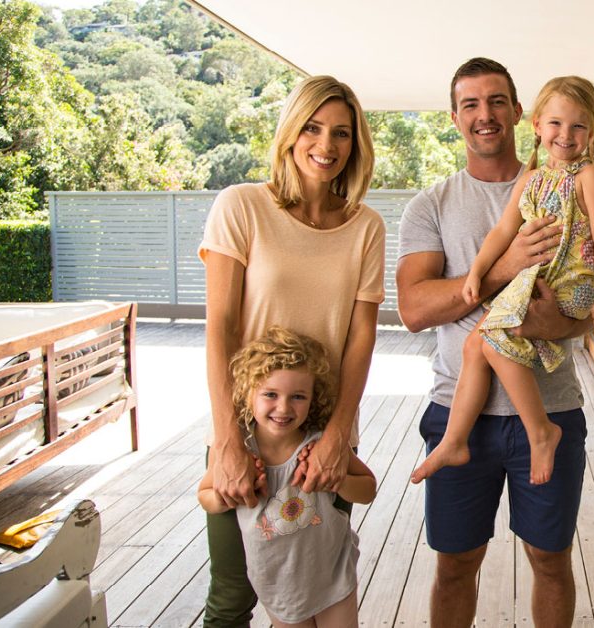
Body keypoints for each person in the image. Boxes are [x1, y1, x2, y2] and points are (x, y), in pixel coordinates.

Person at [396, 58, 592, 628]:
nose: (485, 115)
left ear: (519, 112)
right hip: (459, 411)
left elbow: (584, 304)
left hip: (551, 404)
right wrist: (504, 267)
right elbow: (413, 308)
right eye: (471, 104)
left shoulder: (568, 188)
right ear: (454, 116)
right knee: (456, 565)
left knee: (550, 560)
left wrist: (553, 323)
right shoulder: (430, 205)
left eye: (497, 101)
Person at [199, 75, 385, 626]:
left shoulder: (366, 227)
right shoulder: (240, 207)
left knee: (323, 592)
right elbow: (220, 328)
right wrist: (227, 441)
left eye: (342, 134)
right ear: (289, 133)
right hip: (249, 433)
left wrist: (336, 437)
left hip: (323, 441)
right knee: (233, 597)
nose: (326, 146)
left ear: (356, 145)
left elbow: (361, 338)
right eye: (312, 128)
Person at [410, 76, 594, 486]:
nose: (566, 135)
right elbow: (502, 233)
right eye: (556, 124)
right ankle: (454, 440)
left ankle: (541, 432)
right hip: (544, 279)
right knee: (475, 346)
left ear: (591, 134)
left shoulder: (588, 177)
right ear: (537, 125)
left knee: (489, 341)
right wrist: (476, 273)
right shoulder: (532, 179)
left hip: (569, 282)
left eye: (578, 127)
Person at [198, 327, 376, 628]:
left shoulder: (320, 445)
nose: (283, 407)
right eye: (270, 394)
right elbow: (206, 496)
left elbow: (368, 489)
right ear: (247, 391)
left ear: (312, 399)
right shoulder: (236, 451)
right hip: (275, 581)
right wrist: (229, 494)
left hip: (331, 575)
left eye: (298, 397)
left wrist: (339, 482)